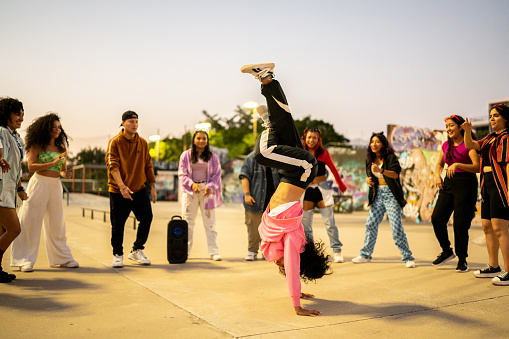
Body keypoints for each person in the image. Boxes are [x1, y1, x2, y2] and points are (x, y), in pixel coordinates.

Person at [241, 62, 331, 316]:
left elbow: (290, 268)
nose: (281, 266)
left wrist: (298, 286)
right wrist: (296, 303)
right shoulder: (292, 239)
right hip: (303, 170)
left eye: (280, 266)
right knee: (265, 151)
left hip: (289, 173)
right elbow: (293, 268)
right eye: (284, 266)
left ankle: (267, 80)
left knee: (286, 123)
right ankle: (268, 125)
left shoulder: (277, 238)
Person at [10, 113, 78, 272]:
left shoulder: (61, 149)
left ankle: (63, 258)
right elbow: (31, 167)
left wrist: (64, 174)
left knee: (57, 223)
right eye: (53, 127)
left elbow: (61, 170)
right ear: (45, 128)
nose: (57, 130)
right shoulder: (37, 145)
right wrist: (52, 163)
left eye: (59, 127)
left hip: (55, 186)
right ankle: (24, 260)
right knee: (30, 222)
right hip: (38, 184)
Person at [352, 132, 415, 268]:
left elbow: (395, 174)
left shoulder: (391, 158)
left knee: (396, 227)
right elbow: (370, 177)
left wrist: (381, 171)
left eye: (377, 142)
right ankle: (365, 255)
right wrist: (368, 180)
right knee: (371, 224)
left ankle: (407, 257)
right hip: (377, 195)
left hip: (391, 195)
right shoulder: (369, 159)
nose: (374, 144)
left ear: (383, 144)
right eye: (372, 142)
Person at [463, 103, 509, 285]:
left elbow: (507, 165)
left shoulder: (506, 138)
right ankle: (494, 266)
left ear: (505, 118)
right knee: (487, 226)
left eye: (496, 115)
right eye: (491, 115)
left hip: (500, 185)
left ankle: (508, 271)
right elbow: (471, 145)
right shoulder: (489, 138)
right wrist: (467, 130)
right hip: (486, 185)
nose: (492, 118)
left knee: (500, 228)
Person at [106, 111, 157, 268]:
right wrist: (121, 186)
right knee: (118, 224)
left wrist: (153, 187)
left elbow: (148, 165)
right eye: (130, 121)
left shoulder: (142, 142)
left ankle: (137, 249)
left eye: (136, 121)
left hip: (138, 189)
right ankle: (117, 254)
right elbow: (112, 165)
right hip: (118, 190)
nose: (134, 124)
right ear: (123, 123)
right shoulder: (114, 142)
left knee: (147, 217)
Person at [431, 115, 479, 272]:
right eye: (447, 127)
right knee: (437, 218)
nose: (448, 129)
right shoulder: (446, 145)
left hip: (466, 184)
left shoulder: (469, 144)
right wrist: (438, 176)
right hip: (448, 183)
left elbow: (477, 166)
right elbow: (439, 164)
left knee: (460, 224)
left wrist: (458, 164)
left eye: (451, 125)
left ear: (460, 127)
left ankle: (462, 259)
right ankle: (447, 251)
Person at [301, 127, 347, 263]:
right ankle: (310, 251)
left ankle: (337, 250)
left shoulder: (324, 153)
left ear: (318, 139)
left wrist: (341, 185)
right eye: (309, 137)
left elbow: (333, 169)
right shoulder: (301, 153)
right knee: (306, 225)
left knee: (330, 223)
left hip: (323, 189)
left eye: (314, 137)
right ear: (305, 138)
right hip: (307, 190)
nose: (311, 140)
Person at [178, 127, 223, 261]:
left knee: (210, 223)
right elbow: (182, 173)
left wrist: (208, 187)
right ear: (194, 140)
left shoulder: (213, 157)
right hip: (190, 190)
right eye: (198, 138)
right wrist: (192, 184)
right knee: (187, 222)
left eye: (204, 138)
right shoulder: (186, 155)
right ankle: (185, 251)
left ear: (207, 141)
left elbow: (217, 175)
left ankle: (214, 252)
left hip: (206, 192)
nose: (201, 141)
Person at [0, 97, 28, 283]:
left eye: (22, 114)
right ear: (6, 115)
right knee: (14, 229)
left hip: (10, 190)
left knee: (2, 229)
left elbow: (17, 167)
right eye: (17, 114)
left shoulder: (17, 137)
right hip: (1, 188)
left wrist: (19, 187)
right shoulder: (1, 131)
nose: (21, 118)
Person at [239, 150, 280, 261]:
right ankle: (252, 251)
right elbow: (244, 176)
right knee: (253, 227)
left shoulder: (277, 156)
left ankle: (265, 251)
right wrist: (247, 194)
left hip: (274, 202)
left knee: (271, 229)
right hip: (255, 199)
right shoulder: (251, 157)